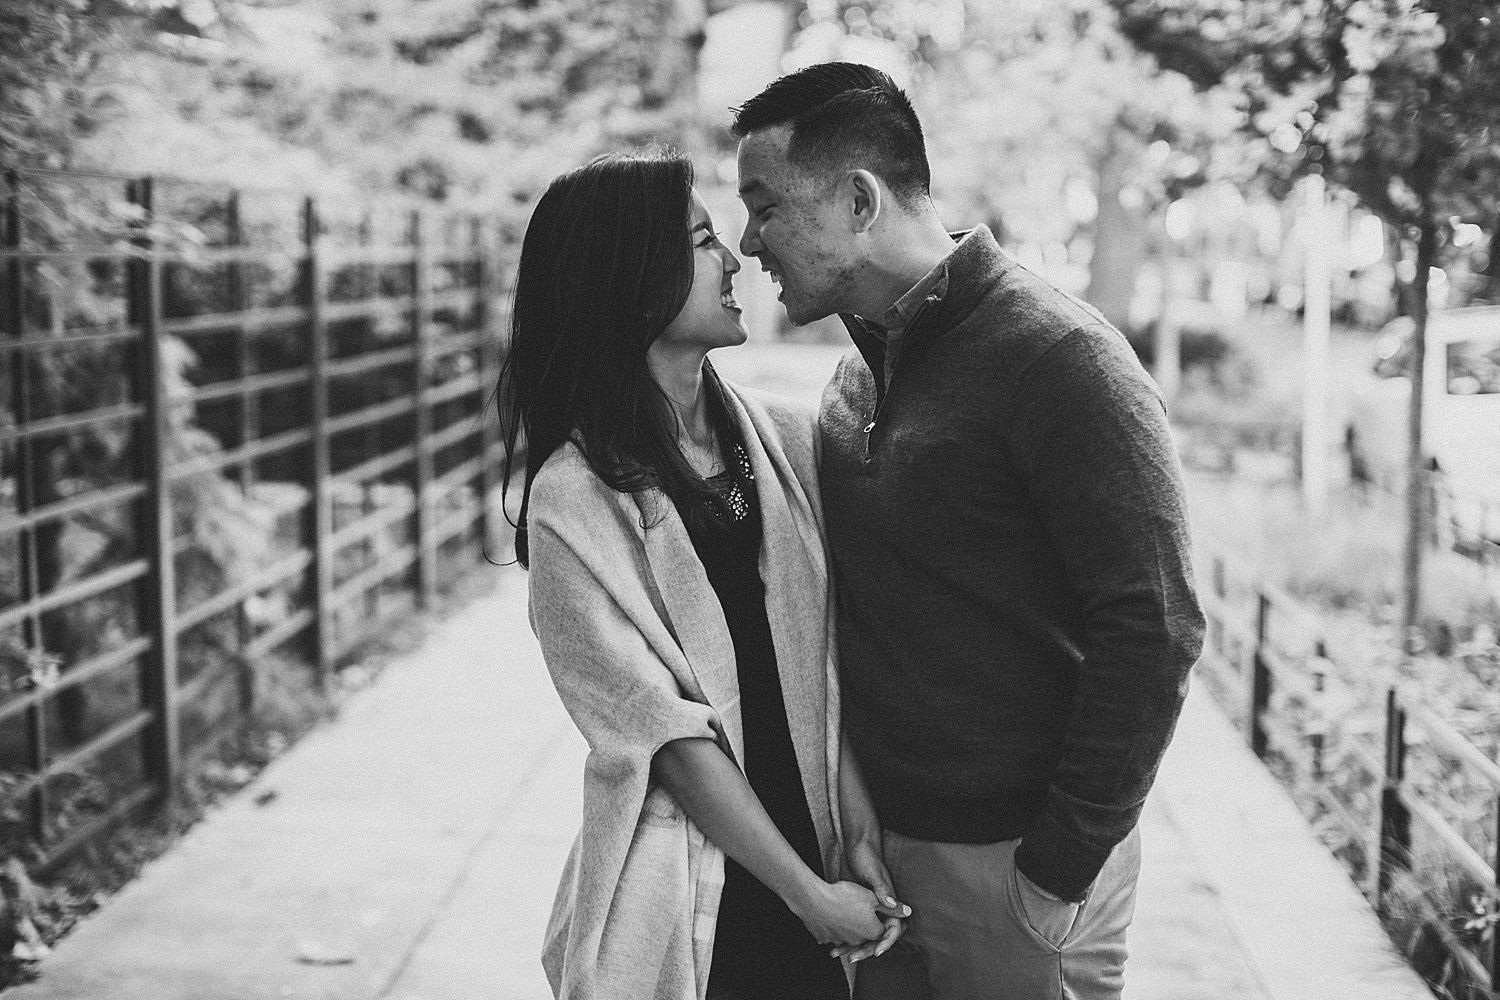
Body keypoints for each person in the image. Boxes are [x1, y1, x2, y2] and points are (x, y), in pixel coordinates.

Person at [731, 64, 1207, 1000]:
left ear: (859, 200)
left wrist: (1057, 868)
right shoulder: (855, 378)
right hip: (880, 865)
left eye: (765, 208)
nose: (750, 242)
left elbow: (1156, 626)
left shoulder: (1062, 359)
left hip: (1017, 873)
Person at [498, 150, 908, 1000]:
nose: (736, 258)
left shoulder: (784, 442)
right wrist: (806, 896)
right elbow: (668, 740)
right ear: (631, 277)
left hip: (821, 862)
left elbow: (826, 664)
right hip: (704, 897)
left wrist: (859, 834)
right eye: (702, 240)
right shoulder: (574, 500)